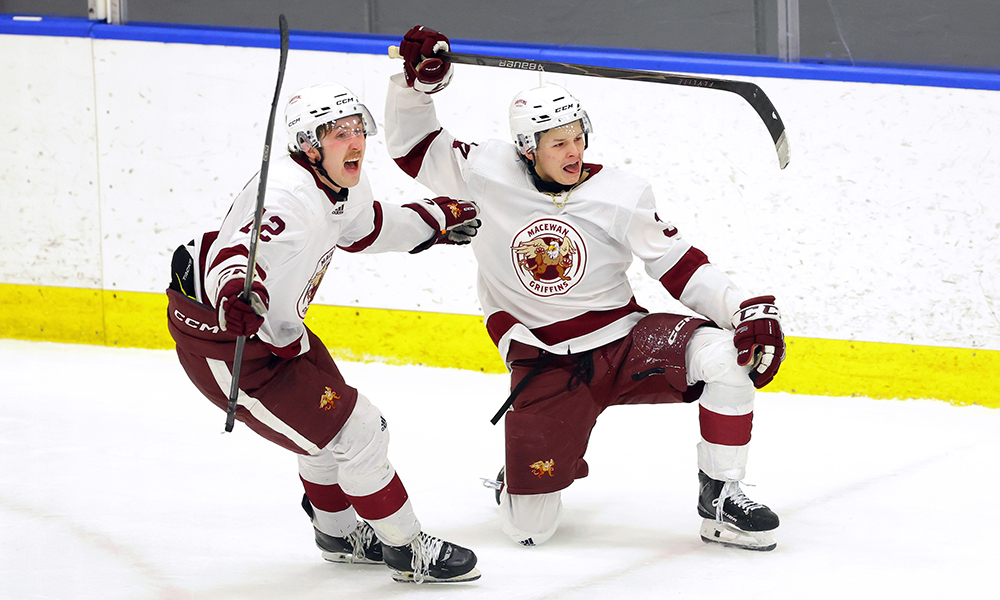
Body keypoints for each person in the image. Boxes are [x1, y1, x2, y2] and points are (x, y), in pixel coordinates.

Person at [384, 26, 787, 551]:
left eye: (578, 137)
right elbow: (412, 147)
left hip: (625, 342)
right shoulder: (484, 171)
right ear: (527, 149)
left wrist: (743, 310)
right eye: (558, 143)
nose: (573, 151)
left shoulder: (619, 193)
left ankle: (721, 500)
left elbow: (677, 263)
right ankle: (521, 479)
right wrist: (415, 87)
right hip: (546, 363)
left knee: (727, 358)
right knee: (529, 531)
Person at [166, 81, 482, 583]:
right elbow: (237, 254)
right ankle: (406, 549)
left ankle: (336, 535)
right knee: (361, 433)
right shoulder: (288, 199)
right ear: (309, 146)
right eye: (340, 133)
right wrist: (236, 296)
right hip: (233, 351)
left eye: (358, 129)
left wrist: (435, 219)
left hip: (281, 332)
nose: (356, 142)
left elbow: (366, 230)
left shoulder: (342, 183)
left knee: (328, 436)